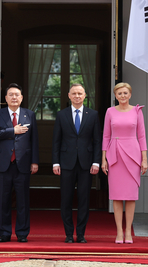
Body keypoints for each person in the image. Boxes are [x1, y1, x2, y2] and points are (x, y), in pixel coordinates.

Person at [52, 83, 102, 243]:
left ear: (85, 95)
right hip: (66, 163)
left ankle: (81, 234)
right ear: (69, 95)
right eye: (74, 93)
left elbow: (97, 141)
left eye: (80, 93)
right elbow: (56, 141)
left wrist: (96, 162)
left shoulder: (93, 115)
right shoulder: (61, 115)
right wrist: (55, 163)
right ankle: (68, 234)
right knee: (66, 199)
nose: (77, 96)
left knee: (84, 199)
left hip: (86, 164)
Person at [0, 83, 39, 243]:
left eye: (17, 94)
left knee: (23, 200)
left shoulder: (29, 114)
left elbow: (34, 140)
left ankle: (22, 233)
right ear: (6, 98)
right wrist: (13, 131)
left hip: (23, 163)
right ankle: (4, 233)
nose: (14, 97)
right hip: (3, 163)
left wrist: (34, 161)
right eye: (11, 95)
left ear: (22, 97)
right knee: (3, 200)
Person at [101, 82, 148, 244]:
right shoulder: (110, 111)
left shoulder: (137, 111)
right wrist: (103, 159)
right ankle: (119, 232)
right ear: (115, 95)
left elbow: (142, 136)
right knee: (116, 196)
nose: (122, 96)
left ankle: (128, 231)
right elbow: (106, 136)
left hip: (133, 155)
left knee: (130, 196)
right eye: (119, 93)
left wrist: (144, 159)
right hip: (114, 155)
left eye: (125, 93)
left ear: (130, 94)